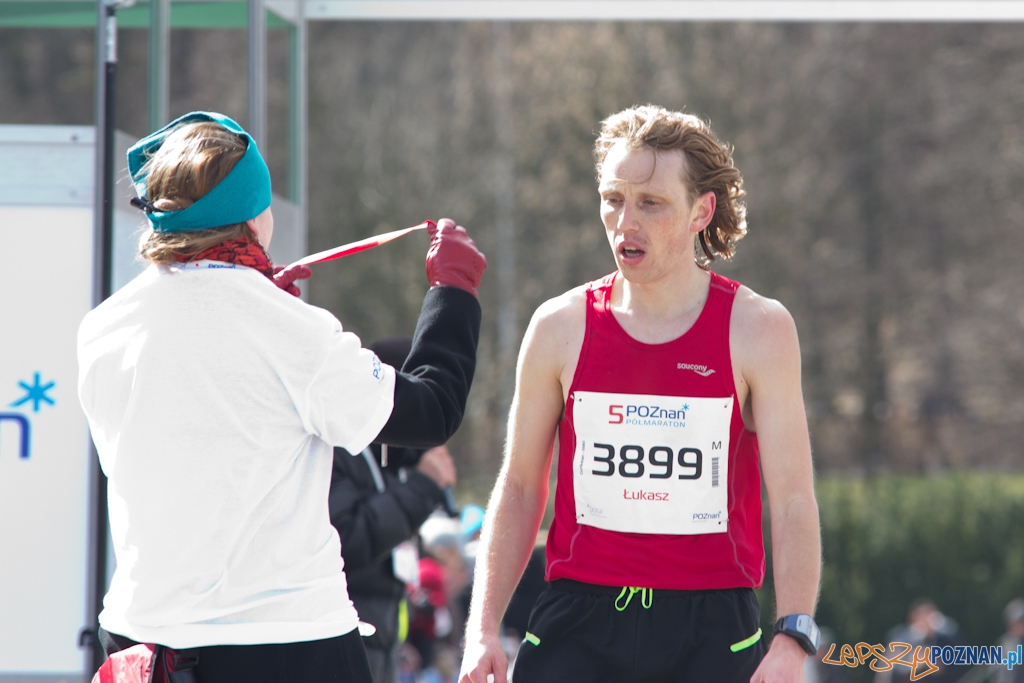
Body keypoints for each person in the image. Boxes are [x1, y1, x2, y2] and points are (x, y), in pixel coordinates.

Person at [77, 111, 486, 683]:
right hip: (285, 641)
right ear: (254, 216)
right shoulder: (289, 328)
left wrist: (258, 304)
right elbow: (430, 411)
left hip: (142, 640)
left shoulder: (103, 326)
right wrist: (454, 293)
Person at [460, 105, 821, 683]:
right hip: (577, 623)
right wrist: (482, 630)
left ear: (701, 210)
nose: (626, 220)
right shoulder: (559, 326)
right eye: (613, 199)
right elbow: (523, 485)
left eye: (651, 202)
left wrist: (793, 638)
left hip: (711, 629)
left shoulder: (759, 329)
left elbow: (794, 501)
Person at [329, 337, 460, 683]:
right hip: (340, 648)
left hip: (384, 652)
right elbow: (347, 539)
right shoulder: (339, 450)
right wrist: (422, 487)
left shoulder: (395, 467)